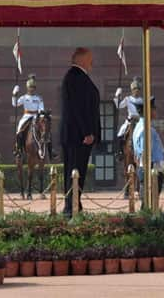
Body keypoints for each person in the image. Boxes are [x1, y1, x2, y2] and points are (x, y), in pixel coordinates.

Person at [59, 47, 101, 217]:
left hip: (79, 136)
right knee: (75, 172)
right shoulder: (74, 77)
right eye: (90, 59)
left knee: (77, 172)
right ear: (82, 59)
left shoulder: (78, 77)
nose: (92, 62)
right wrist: (87, 132)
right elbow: (76, 108)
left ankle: (74, 205)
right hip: (77, 136)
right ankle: (71, 207)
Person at [132, 96, 164, 208]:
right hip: (150, 170)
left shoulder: (141, 126)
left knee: (148, 205)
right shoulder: (145, 129)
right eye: (153, 108)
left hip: (148, 169)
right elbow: (145, 153)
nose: (155, 110)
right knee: (149, 207)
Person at [12, 74, 47, 158]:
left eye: (33, 88)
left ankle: (50, 150)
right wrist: (14, 94)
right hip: (26, 116)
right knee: (19, 129)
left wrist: (41, 116)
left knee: (46, 130)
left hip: (36, 116)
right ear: (27, 88)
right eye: (30, 87)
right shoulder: (24, 98)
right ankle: (18, 149)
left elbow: (41, 109)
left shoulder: (38, 98)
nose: (31, 89)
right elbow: (15, 104)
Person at [114, 76, 143, 140]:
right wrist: (117, 95)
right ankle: (120, 148)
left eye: (138, 89)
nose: (136, 91)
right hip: (130, 120)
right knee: (121, 133)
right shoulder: (128, 99)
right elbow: (118, 106)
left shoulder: (142, 101)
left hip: (139, 120)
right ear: (132, 90)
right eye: (135, 89)